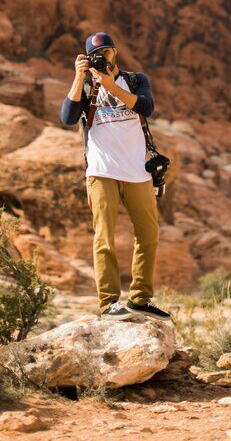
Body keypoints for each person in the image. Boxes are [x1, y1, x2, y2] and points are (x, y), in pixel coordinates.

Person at [60, 31, 172, 322]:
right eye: (96, 55)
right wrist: (79, 77)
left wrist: (112, 85)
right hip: (101, 171)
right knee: (104, 237)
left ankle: (140, 299)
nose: (103, 58)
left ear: (115, 52)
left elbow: (146, 107)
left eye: (107, 52)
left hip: (137, 171)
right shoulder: (85, 87)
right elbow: (68, 118)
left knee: (148, 235)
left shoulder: (136, 80)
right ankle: (109, 302)